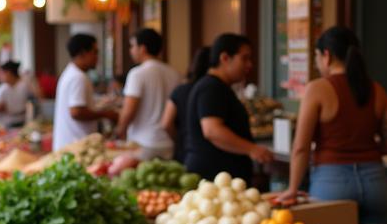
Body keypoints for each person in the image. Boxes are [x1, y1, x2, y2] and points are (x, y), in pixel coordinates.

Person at [282, 26, 387, 224]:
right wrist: (367, 148)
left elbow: (301, 147)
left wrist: (292, 189)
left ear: (326, 56)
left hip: (331, 183)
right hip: (375, 183)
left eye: (317, 57)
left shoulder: (317, 89)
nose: (317, 64)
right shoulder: (377, 90)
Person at [183, 33, 273, 182]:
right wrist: (252, 149)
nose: (249, 65)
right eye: (244, 58)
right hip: (214, 180)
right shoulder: (211, 87)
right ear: (225, 58)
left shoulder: (218, 87)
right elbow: (212, 130)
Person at [115, 28, 180, 159]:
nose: (131, 50)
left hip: (142, 144)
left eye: (133, 46)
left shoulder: (137, 73)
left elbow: (129, 111)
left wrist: (119, 131)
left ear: (142, 48)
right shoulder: (174, 74)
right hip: (168, 142)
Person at [54, 33, 117, 151]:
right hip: (76, 147)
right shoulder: (78, 77)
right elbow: (76, 112)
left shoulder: (72, 73)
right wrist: (106, 114)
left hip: (72, 146)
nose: (97, 57)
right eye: (95, 52)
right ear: (83, 53)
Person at [161, 45, 210, 163]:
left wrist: (179, 139)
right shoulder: (212, 91)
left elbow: (166, 123)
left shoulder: (181, 90)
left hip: (185, 150)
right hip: (208, 152)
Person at [0, 60, 31, 128]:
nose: (0, 76)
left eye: (2, 73)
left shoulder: (24, 86)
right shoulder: (3, 88)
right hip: (6, 124)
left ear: (8, 73)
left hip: (17, 122)